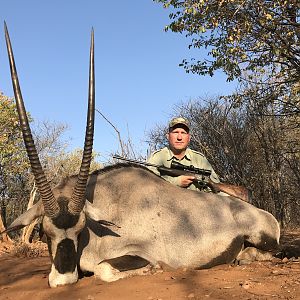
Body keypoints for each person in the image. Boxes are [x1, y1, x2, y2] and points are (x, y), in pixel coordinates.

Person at [147, 117, 220, 192]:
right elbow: (148, 183)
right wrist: (176, 182)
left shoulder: (199, 158)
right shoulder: (157, 157)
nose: (179, 137)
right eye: (175, 132)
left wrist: (209, 186)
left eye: (183, 133)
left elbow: (217, 187)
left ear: (189, 138)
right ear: (168, 136)